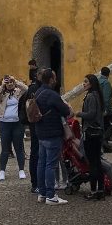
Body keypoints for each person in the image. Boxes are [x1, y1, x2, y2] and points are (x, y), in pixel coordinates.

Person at [34, 67, 72, 205]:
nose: (56, 80)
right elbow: (65, 110)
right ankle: (51, 195)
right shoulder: (52, 94)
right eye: (54, 78)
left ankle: (42, 193)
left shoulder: (38, 92)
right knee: (51, 165)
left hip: (41, 133)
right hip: (52, 134)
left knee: (41, 164)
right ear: (50, 80)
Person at [0, 74, 27, 181]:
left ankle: (21, 170)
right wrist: (2, 86)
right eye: (8, 82)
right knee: (5, 149)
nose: (10, 84)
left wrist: (15, 81)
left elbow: (26, 89)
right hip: (4, 123)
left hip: (17, 123)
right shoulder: (2, 93)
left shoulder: (18, 92)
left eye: (11, 82)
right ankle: (2, 171)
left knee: (19, 147)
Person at [77, 74, 105, 200]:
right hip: (97, 133)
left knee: (93, 163)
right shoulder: (96, 95)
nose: (83, 83)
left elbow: (91, 114)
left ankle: (94, 190)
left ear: (91, 83)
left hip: (91, 133)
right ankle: (100, 190)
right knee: (97, 162)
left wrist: (79, 113)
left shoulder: (91, 96)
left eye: (86, 81)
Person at [20, 66, 42, 194]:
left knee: (37, 153)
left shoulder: (37, 88)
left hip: (36, 126)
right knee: (36, 153)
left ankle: (38, 182)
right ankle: (35, 183)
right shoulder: (35, 89)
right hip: (36, 126)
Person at [98, 67, 112, 152]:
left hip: (99, 107)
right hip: (107, 109)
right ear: (108, 74)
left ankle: (106, 146)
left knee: (106, 125)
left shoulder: (98, 81)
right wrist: (106, 109)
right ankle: (104, 139)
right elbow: (106, 98)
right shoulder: (106, 83)